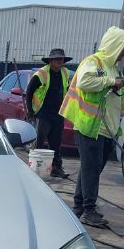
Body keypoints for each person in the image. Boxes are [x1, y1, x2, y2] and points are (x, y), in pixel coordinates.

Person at [59, 27, 124, 227]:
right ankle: (89, 211)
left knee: (91, 170)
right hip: (90, 129)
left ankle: (79, 208)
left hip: (107, 131)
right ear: (114, 45)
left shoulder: (115, 70)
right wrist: (111, 81)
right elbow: (84, 82)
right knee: (90, 171)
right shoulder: (93, 62)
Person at [25, 48, 72, 179]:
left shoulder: (65, 73)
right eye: (57, 59)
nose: (60, 62)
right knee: (39, 142)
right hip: (43, 112)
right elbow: (29, 91)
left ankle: (56, 168)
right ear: (50, 61)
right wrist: (30, 110)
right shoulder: (41, 74)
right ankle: (35, 168)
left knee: (56, 143)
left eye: (61, 59)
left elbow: (68, 89)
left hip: (58, 113)